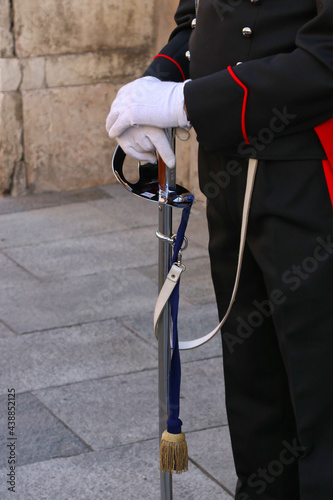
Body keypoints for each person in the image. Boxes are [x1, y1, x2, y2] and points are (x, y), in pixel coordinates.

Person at [106, 1, 333, 498]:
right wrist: (157, 80)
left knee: (320, 384)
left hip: (310, 172)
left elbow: (326, 57)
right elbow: (199, 21)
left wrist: (185, 103)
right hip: (228, 165)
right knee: (253, 380)